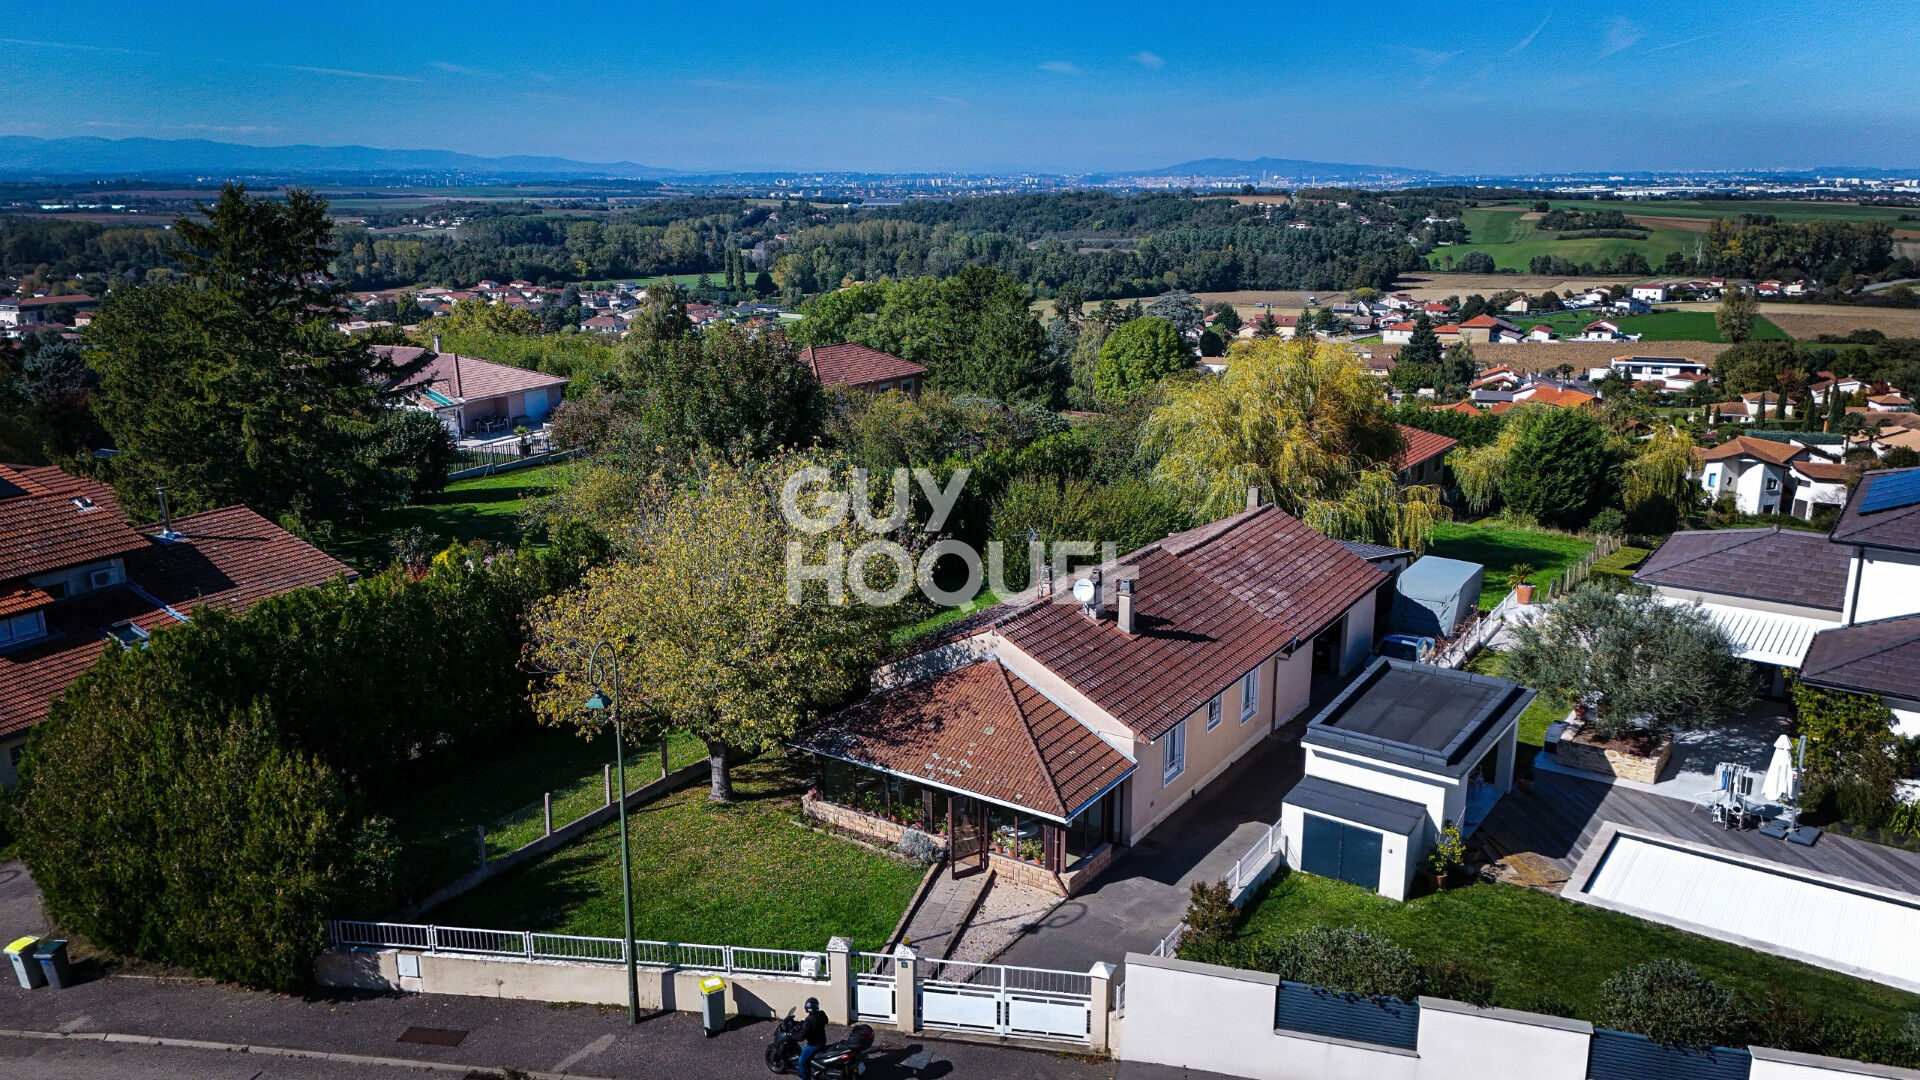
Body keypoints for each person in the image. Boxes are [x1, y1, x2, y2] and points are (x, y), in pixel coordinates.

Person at [797, 996, 828, 1078]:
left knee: (801, 1062)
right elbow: (825, 1021)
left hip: (814, 1044)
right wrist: (803, 1023)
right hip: (823, 1041)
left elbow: (801, 1037)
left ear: (807, 1008)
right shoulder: (822, 1014)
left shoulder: (808, 1021)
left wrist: (792, 1035)